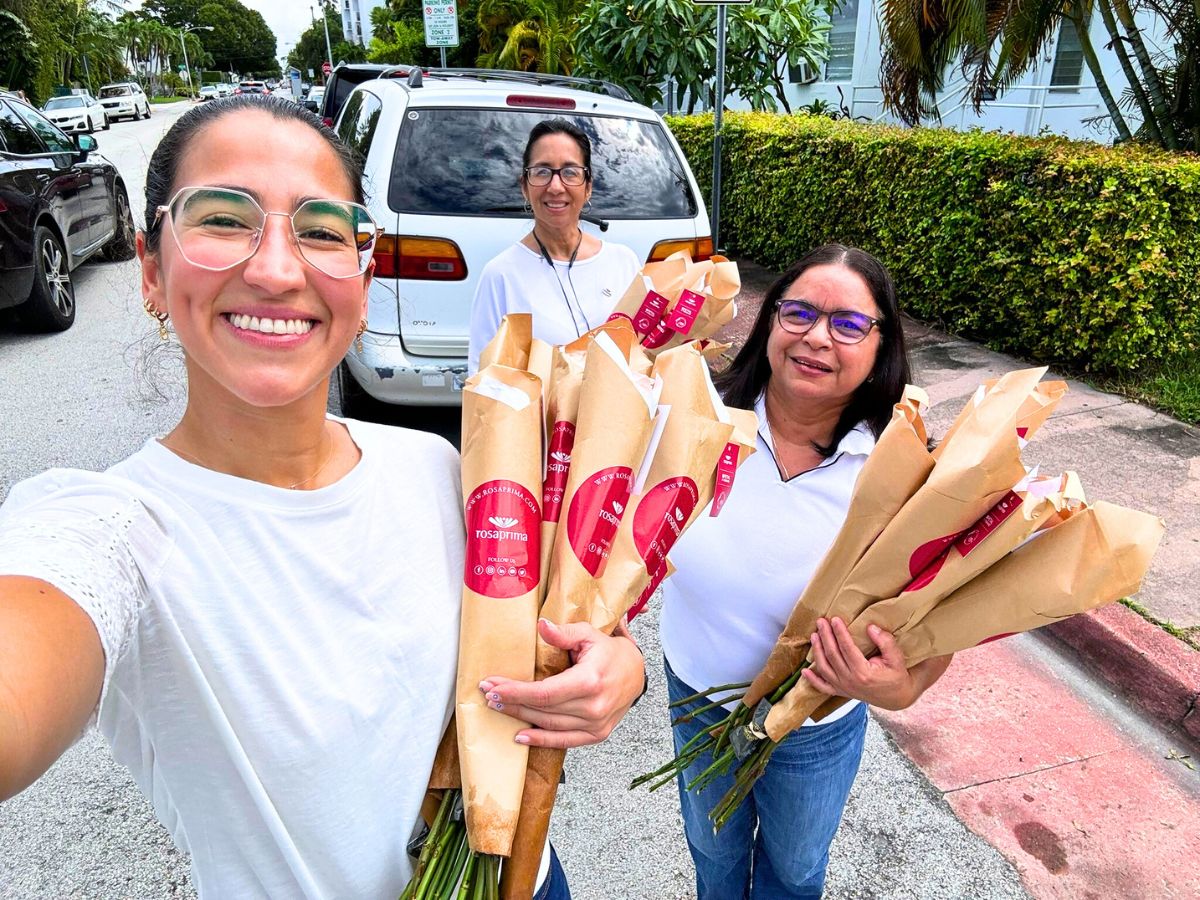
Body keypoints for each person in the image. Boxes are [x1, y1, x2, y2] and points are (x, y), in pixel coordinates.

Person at [0, 96, 645, 900]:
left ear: (362, 282)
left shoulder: (435, 468)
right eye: (224, 219)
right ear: (153, 270)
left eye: (321, 229)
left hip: (529, 877)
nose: (276, 267)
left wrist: (620, 667)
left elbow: (543, 634)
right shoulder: (113, 532)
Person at [658, 244, 954, 899]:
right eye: (798, 313)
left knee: (793, 872)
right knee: (714, 855)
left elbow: (940, 632)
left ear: (882, 347)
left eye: (848, 325)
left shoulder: (906, 472)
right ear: (769, 322)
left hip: (811, 730)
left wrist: (895, 689)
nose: (817, 336)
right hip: (697, 698)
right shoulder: (700, 419)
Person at [467, 119, 641, 372]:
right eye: (542, 172)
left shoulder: (623, 262)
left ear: (588, 187)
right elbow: (483, 379)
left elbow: (645, 354)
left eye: (570, 172)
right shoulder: (501, 275)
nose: (556, 187)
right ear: (524, 187)